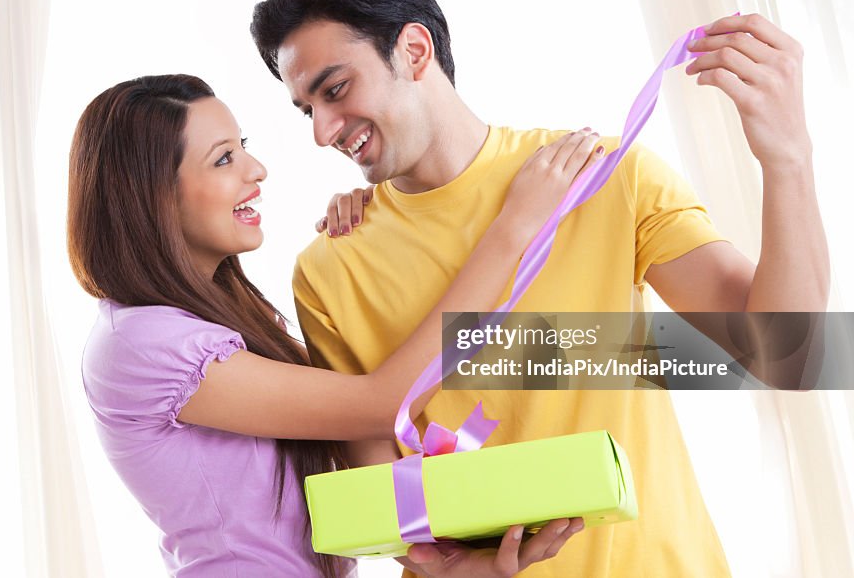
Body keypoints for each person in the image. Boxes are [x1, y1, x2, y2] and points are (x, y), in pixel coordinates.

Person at [250, 0, 829, 577]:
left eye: (334, 90)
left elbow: (782, 354)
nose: (322, 131)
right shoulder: (330, 268)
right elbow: (382, 496)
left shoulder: (602, 176)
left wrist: (788, 158)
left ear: (414, 50)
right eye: (307, 109)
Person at [67, 73, 606, 576]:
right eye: (224, 158)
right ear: (152, 195)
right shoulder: (143, 345)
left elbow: (348, 455)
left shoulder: (203, 324)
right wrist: (516, 225)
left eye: (244, 147)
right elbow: (380, 406)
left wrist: (439, 561)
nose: (256, 171)